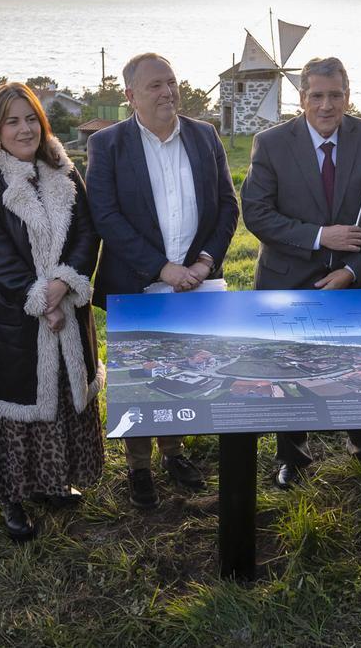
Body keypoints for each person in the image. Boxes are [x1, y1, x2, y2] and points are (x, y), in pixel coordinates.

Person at [86, 53, 239, 508]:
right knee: (137, 377)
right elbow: (105, 216)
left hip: (198, 281)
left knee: (179, 371)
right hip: (139, 283)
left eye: (171, 82)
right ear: (130, 95)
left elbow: (228, 206)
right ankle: (139, 467)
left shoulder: (204, 135)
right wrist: (161, 267)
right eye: (154, 85)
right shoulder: (107, 144)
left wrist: (205, 262)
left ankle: (173, 453)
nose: (166, 92)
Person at [240, 56, 361, 490]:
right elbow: (255, 213)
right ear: (301, 98)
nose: (326, 105)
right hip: (287, 279)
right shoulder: (271, 143)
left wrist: (352, 269)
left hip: (355, 278)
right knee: (290, 369)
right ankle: (292, 455)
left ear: (348, 96)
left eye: (335, 95)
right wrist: (319, 236)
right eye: (317, 96)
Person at [0, 83, 104, 538]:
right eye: (12, 121)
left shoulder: (62, 169)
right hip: (10, 320)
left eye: (31, 119)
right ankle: (12, 499)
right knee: (14, 411)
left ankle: (55, 482)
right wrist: (39, 297)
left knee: (61, 396)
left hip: (68, 310)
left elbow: (87, 234)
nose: (24, 129)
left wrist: (62, 287)